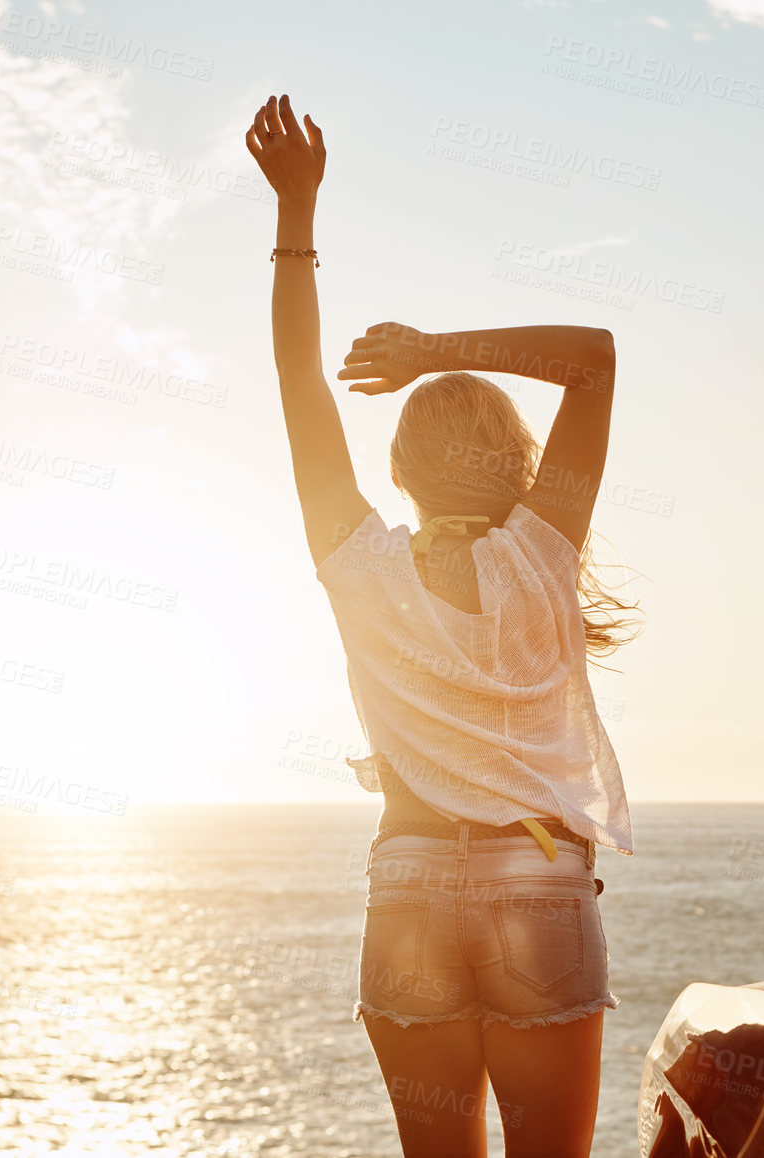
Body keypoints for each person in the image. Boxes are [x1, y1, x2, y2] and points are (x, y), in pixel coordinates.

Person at [246, 93, 640, 1158]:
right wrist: (433, 349)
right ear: (518, 462)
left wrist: (296, 211)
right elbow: (594, 355)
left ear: (398, 470)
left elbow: (296, 381)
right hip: (539, 886)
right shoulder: (544, 552)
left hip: (409, 882)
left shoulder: (357, 563)